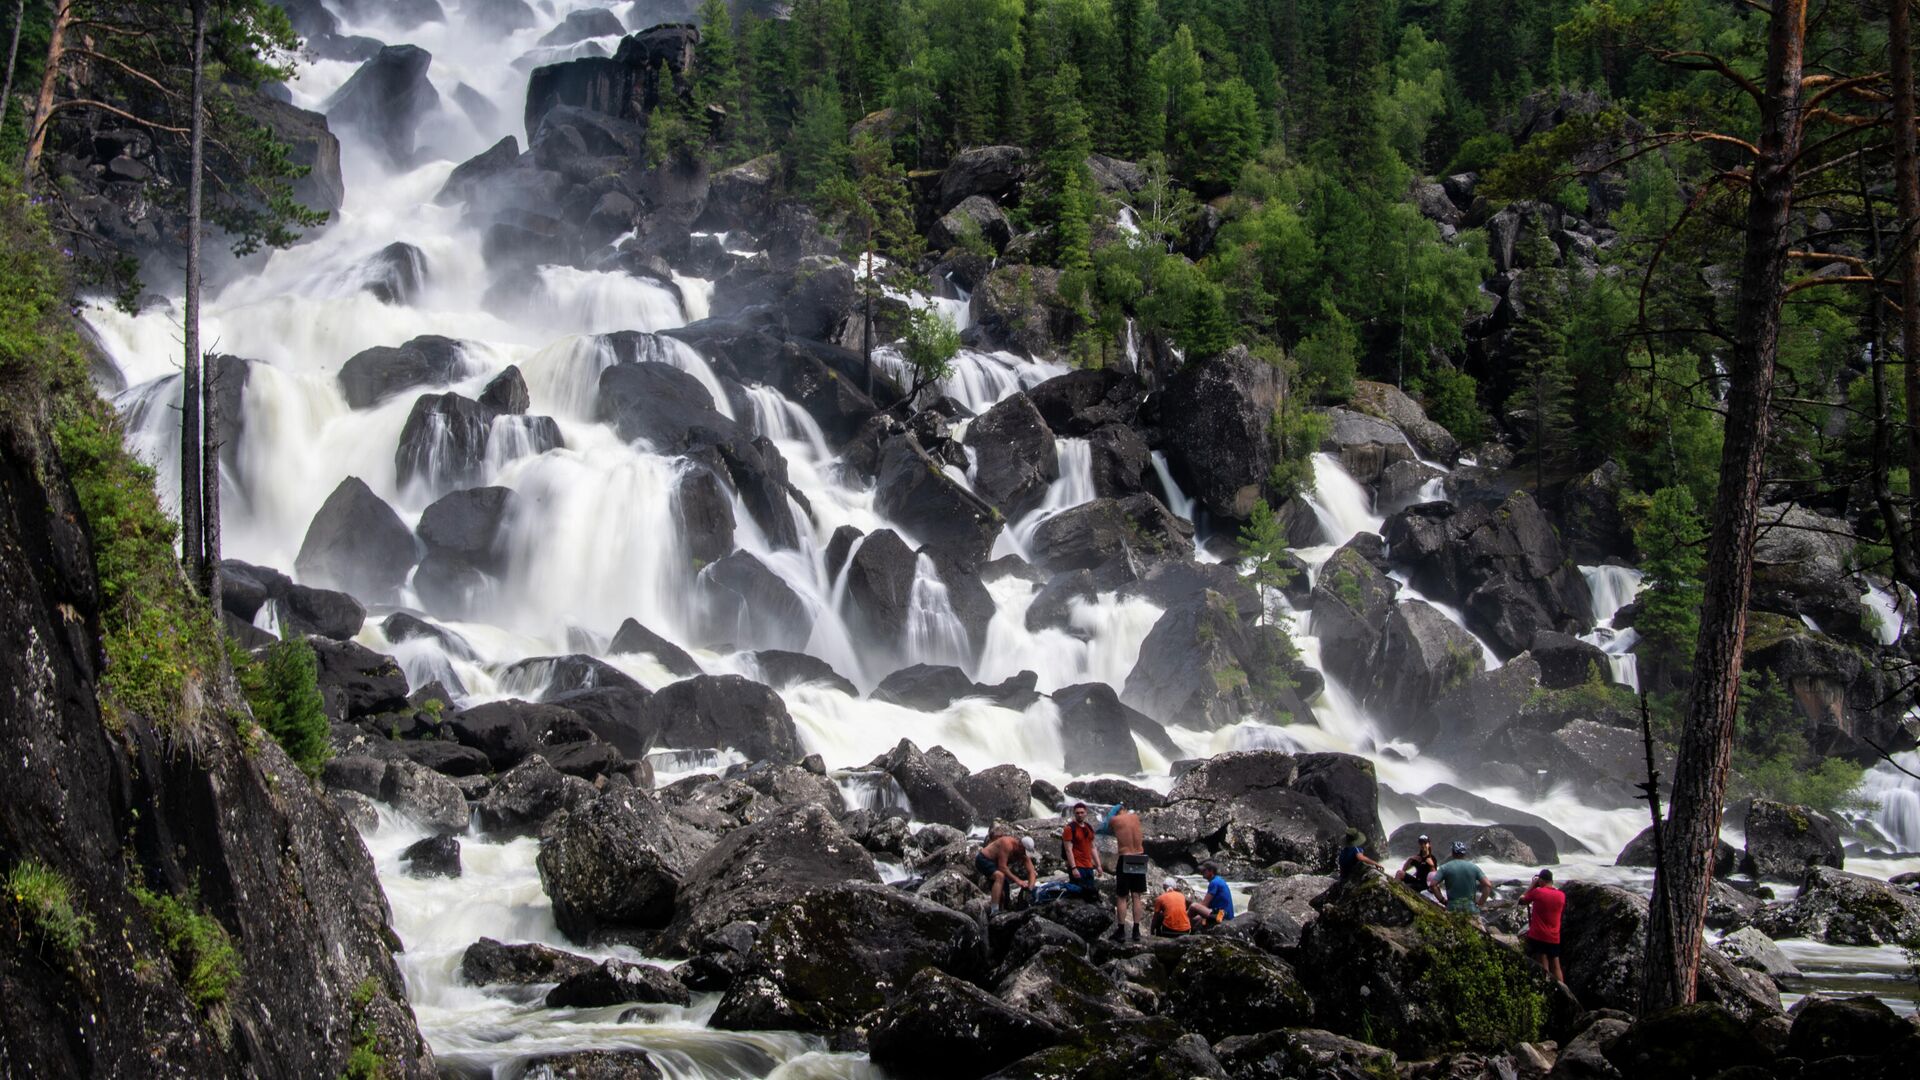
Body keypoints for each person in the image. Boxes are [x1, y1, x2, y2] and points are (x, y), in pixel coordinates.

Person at [1107, 805, 1148, 941]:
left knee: (1122, 896)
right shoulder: (1135, 817)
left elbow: (1103, 828)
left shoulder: (1115, 819)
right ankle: (1136, 931)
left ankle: (1121, 930)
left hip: (1126, 856)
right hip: (1140, 856)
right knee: (1137, 895)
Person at [1520, 868, 1567, 983]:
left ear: (1541, 880)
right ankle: (1563, 990)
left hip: (1539, 935)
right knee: (1556, 965)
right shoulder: (1561, 895)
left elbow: (1522, 900)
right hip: (1554, 937)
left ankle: (1545, 989)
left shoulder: (1538, 892)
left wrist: (1532, 886)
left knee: (1543, 965)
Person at [975, 831, 1038, 912]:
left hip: (996, 865)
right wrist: (1018, 881)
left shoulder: (1024, 854)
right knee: (999, 876)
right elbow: (1002, 867)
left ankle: (1003, 910)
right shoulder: (1007, 844)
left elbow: (1031, 871)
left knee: (1004, 896)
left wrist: (1030, 888)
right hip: (983, 860)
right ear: (1020, 846)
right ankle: (994, 910)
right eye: (1024, 852)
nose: (1024, 854)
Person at [1430, 840, 1492, 917]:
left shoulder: (1444, 868)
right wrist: (1480, 903)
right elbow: (1488, 885)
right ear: (1464, 854)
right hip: (1471, 909)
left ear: (1452, 853)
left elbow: (1433, 885)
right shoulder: (1474, 867)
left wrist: (1442, 901)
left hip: (1452, 908)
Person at [1061, 802, 1100, 903]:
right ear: (1074, 813)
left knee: (1090, 894)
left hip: (1088, 866)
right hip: (1077, 866)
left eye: (1082, 812)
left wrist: (1098, 865)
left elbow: (1092, 847)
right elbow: (1068, 850)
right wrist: (1073, 868)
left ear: (1086, 813)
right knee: (1077, 895)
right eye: (1077, 813)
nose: (1080, 815)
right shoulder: (1069, 829)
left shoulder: (1089, 828)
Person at [1189, 861, 1235, 925]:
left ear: (1211, 871)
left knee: (1193, 906)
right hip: (1223, 913)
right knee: (1197, 920)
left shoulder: (1214, 883)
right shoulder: (1219, 880)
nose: (1202, 872)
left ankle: (1182, 923)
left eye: (1204, 870)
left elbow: (1204, 904)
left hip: (1221, 915)